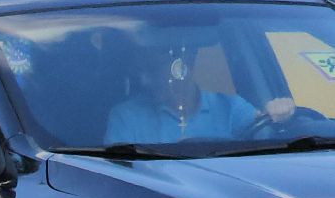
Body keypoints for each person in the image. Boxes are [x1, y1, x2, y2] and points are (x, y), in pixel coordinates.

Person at [106, 42, 295, 144]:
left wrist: (280, 112)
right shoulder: (126, 117)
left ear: (183, 65)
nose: (144, 81)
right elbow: (119, 174)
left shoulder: (230, 107)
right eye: (140, 73)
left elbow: (263, 131)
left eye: (152, 70)